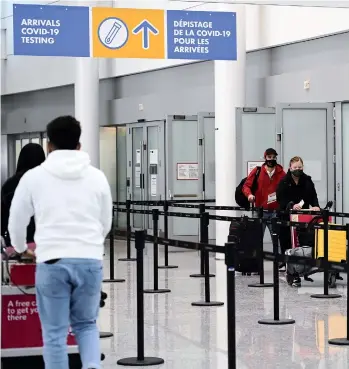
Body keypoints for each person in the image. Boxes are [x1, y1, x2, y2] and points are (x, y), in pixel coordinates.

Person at [8, 116, 113, 369]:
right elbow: (105, 222)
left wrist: (22, 249)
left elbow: (16, 222)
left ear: (48, 145)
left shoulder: (33, 177)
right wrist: (89, 245)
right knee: (87, 325)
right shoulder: (97, 177)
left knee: (54, 334)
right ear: (79, 145)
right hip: (89, 260)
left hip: (52, 261)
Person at [276, 156, 320, 286]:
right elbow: (280, 199)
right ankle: (291, 273)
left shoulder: (307, 180)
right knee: (288, 244)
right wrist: (291, 205)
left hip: (303, 217)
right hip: (286, 217)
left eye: (300, 167)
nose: (297, 169)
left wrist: (315, 205)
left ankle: (302, 268)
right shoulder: (284, 181)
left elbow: (313, 195)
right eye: (295, 167)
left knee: (303, 242)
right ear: (290, 168)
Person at [242, 148, 286, 267]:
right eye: (269, 157)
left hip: (275, 211)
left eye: (273, 157)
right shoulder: (257, 171)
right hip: (259, 210)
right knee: (256, 238)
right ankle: (254, 262)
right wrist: (249, 195)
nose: (271, 159)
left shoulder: (282, 173)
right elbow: (246, 186)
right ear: (265, 158)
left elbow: (287, 188)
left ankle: (279, 261)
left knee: (276, 238)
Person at [1, 143, 46, 247]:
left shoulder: (9, 185)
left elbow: (3, 217)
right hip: (44, 243)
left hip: (16, 245)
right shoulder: (49, 182)